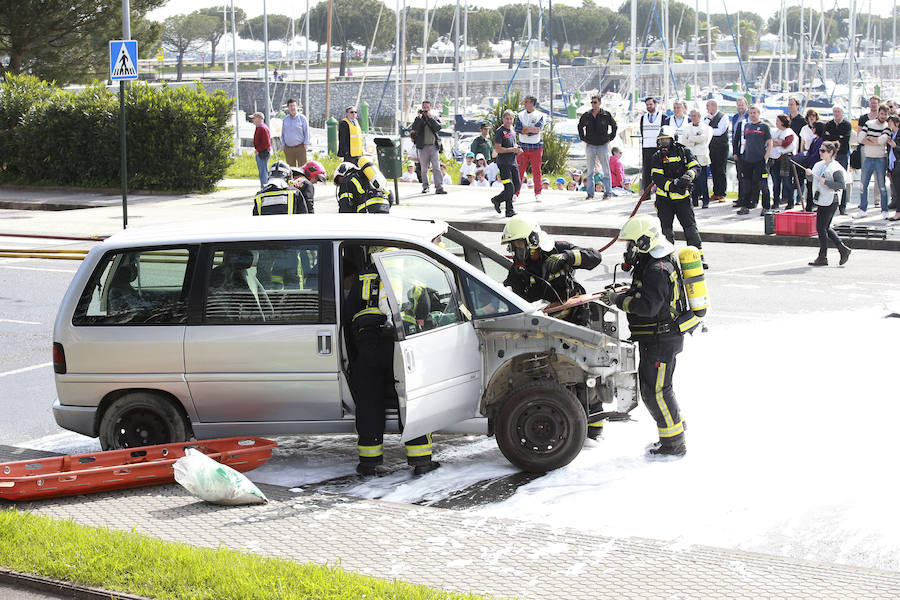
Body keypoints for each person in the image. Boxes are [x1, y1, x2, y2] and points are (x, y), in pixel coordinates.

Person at [603, 214, 695, 457]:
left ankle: (673, 444)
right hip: (656, 338)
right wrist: (624, 293)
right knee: (659, 389)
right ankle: (676, 429)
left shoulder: (656, 268)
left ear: (644, 242)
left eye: (631, 244)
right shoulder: (652, 263)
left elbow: (648, 307)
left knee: (655, 392)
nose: (629, 250)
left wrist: (619, 300)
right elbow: (647, 294)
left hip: (661, 340)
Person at [344, 247, 441, 476]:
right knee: (410, 401)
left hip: (367, 346)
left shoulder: (363, 278)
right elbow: (427, 309)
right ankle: (421, 461)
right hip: (399, 346)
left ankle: (369, 462)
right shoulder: (410, 279)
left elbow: (348, 316)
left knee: (368, 403)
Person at [650, 125, 707, 268]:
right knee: (666, 230)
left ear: (672, 139)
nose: (663, 143)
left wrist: (688, 175)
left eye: (666, 140)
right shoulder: (657, 157)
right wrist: (672, 186)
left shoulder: (684, 151)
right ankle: (668, 259)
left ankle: (698, 257)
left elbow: (696, 167)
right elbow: (657, 177)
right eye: (661, 140)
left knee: (690, 228)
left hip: (683, 199)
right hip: (665, 200)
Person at [804, 141, 852, 266]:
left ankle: (823, 256)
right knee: (824, 226)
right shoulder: (819, 165)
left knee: (821, 227)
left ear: (831, 152)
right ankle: (842, 248)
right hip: (821, 198)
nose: (821, 153)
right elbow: (812, 179)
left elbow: (841, 185)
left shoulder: (836, 168)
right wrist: (808, 174)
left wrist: (826, 182)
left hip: (831, 199)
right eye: (820, 150)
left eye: (823, 151)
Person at [578, 94, 618, 200]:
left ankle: (608, 192)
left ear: (600, 103)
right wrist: (583, 137)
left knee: (606, 169)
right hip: (590, 145)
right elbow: (580, 126)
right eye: (592, 102)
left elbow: (614, 126)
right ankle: (590, 194)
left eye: (595, 102)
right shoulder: (586, 115)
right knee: (590, 170)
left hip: (603, 145)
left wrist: (610, 137)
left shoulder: (606, 114)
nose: (593, 104)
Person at [855, 103, 890, 219]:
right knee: (863, 184)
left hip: (880, 158)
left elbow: (882, 140)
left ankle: (884, 210)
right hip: (868, 158)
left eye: (885, 114)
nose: (883, 116)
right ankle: (862, 209)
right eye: (882, 113)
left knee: (882, 185)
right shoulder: (869, 123)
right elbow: (860, 138)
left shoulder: (887, 126)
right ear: (878, 113)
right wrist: (874, 140)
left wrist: (869, 138)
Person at [736, 105, 772, 215]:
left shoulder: (764, 126)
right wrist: (744, 154)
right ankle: (745, 206)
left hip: (760, 160)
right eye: (750, 113)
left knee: (763, 185)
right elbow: (746, 142)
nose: (752, 115)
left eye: (754, 113)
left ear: (758, 113)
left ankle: (766, 207)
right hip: (747, 160)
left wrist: (766, 157)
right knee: (746, 184)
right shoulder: (747, 126)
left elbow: (770, 142)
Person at [489, 109, 522, 217]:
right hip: (504, 163)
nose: (508, 121)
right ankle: (509, 210)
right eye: (506, 118)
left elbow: (513, 143)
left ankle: (497, 199)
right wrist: (512, 149)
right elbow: (498, 149)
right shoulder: (500, 131)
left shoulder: (512, 130)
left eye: (510, 118)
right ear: (503, 119)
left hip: (513, 162)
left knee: (517, 185)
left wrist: (517, 148)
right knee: (509, 187)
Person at [411, 100, 446, 195]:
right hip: (423, 147)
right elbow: (415, 129)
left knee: (436, 167)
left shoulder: (433, 117)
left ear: (430, 108)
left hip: (433, 146)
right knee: (424, 168)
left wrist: (431, 118)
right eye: (424, 107)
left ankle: (439, 187)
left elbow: (438, 128)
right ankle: (425, 186)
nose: (425, 109)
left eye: (427, 107)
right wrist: (419, 118)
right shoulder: (418, 118)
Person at [515, 95, 546, 202]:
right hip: (522, 147)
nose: (525, 104)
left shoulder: (540, 115)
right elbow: (517, 128)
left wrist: (525, 130)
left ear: (533, 103)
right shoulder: (520, 115)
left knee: (536, 171)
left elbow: (537, 129)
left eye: (527, 102)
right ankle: (515, 192)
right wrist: (529, 130)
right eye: (525, 102)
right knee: (519, 170)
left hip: (536, 147)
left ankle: (538, 193)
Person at [824, 106, 852, 214]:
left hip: (842, 154)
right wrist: (837, 137)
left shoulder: (847, 125)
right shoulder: (829, 124)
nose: (836, 113)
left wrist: (831, 136)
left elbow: (845, 139)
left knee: (842, 179)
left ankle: (843, 206)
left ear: (842, 113)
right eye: (834, 111)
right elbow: (825, 138)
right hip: (830, 155)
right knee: (829, 178)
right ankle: (829, 204)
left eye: (838, 111)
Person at [682, 108, 712, 208]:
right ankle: (694, 201)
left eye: (695, 116)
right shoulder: (687, 127)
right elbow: (684, 141)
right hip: (691, 156)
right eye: (692, 116)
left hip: (702, 156)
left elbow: (703, 139)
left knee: (703, 181)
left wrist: (691, 139)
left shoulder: (706, 128)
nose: (693, 118)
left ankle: (705, 201)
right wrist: (694, 140)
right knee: (692, 180)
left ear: (699, 117)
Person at [639, 97, 669, 192]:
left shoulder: (663, 117)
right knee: (647, 171)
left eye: (651, 104)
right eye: (647, 105)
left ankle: (661, 191)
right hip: (646, 147)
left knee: (661, 170)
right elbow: (642, 131)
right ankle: (646, 193)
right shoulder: (643, 118)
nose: (649, 106)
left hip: (658, 148)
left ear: (655, 105)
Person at [794, 121, 825, 211]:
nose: (812, 129)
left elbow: (816, 155)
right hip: (809, 165)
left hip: (815, 166)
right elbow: (809, 152)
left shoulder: (821, 140)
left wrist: (807, 160)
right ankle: (809, 206)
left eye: (814, 128)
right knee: (809, 186)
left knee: (814, 187)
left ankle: (814, 205)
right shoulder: (814, 139)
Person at [770, 114, 798, 210]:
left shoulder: (789, 132)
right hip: (774, 160)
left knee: (787, 182)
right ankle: (775, 202)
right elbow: (769, 142)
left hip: (785, 160)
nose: (776, 122)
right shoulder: (776, 132)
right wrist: (777, 142)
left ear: (782, 122)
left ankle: (790, 201)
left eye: (778, 121)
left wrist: (777, 142)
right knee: (776, 183)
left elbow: (787, 143)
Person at [704, 100, 730, 202]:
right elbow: (703, 127)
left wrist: (709, 130)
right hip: (711, 148)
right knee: (713, 169)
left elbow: (720, 131)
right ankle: (716, 192)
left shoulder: (723, 117)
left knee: (721, 170)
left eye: (708, 106)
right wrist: (707, 123)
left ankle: (722, 193)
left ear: (714, 106)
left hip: (721, 148)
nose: (707, 108)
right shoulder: (707, 118)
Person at [731, 98, 750, 208]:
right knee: (739, 176)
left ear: (746, 105)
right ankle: (740, 197)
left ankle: (748, 199)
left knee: (747, 177)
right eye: (738, 105)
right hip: (738, 148)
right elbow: (734, 136)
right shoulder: (735, 117)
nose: (740, 107)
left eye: (742, 105)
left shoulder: (749, 117)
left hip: (748, 150)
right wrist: (735, 152)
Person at [281, 98, 310, 168]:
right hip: (288, 148)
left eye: (294, 105)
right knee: (291, 169)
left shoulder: (302, 118)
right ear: (288, 107)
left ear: (297, 107)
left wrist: (306, 143)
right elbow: (283, 134)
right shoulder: (285, 120)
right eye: (290, 106)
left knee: (302, 168)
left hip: (300, 147)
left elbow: (307, 132)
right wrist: (283, 145)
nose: (292, 108)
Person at [251, 111, 271, 189]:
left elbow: (266, 143)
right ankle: (264, 187)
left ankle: (264, 188)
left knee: (263, 172)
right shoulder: (259, 127)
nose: (253, 120)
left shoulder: (262, 128)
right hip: (261, 152)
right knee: (262, 171)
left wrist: (258, 150)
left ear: (259, 119)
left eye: (254, 118)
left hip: (263, 152)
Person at [887, 116, 900, 220]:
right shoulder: (891, 135)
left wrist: (895, 146)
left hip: (898, 164)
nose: (889, 123)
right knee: (896, 189)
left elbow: (896, 148)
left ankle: (898, 212)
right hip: (893, 165)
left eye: (890, 122)